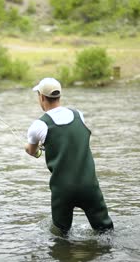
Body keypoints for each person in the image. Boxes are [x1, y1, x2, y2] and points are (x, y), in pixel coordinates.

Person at [25, 77, 114, 235]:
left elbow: (32, 151)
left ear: (42, 97)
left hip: (63, 190)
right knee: (106, 232)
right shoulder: (79, 115)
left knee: (61, 235)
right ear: (59, 96)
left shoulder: (38, 125)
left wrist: (33, 148)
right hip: (90, 186)